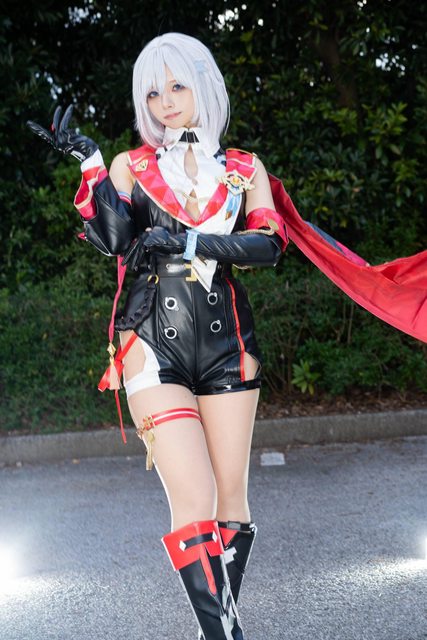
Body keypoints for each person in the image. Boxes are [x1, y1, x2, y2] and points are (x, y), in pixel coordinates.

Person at [28, 32, 289, 640]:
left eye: (177, 85)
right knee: (194, 497)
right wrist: (91, 163)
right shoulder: (132, 165)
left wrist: (190, 240)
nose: (165, 101)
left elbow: (269, 244)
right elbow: (114, 239)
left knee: (230, 502)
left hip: (228, 344)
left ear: (204, 85)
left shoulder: (245, 168)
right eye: (152, 91)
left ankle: (214, 631)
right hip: (151, 342)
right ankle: (227, 635)